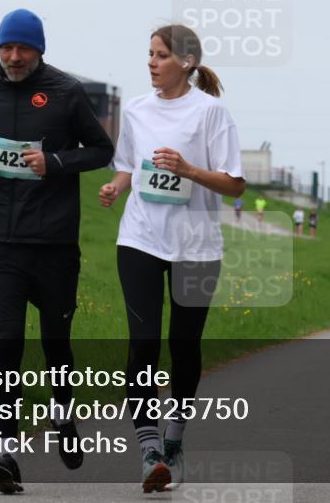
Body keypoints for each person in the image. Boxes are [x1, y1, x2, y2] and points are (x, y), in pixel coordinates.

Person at [0, 9, 115, 495]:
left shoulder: (66, 92)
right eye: (6, 48)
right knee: (6, 343)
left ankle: (62, 415)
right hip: (0, 244)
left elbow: (101, 150)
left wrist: (55, 161)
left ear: (39, 50)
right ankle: (7, 454)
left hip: (54, 245)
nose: (14, 57)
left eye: (23, 48)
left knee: (55, 343)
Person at [99, 24, 245, 493]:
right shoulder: (137, 110)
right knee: (142, 345)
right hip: (140, 239)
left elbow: (234, 184)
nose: (151, 62)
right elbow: (127, 165)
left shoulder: (211, 113)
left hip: (196, 246)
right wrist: (115, 187)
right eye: (149, 54)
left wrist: (189, 170)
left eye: (160, 55)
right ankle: (149, 452)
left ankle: (175, 439)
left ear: (186, 62)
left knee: (183, 346)